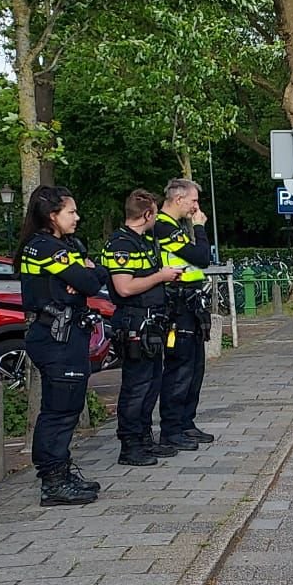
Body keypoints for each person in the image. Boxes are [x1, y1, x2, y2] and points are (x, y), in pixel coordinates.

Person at [15, 186, 108, 506]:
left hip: (62, 334)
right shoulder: (46, 248)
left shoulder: (57, 245)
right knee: (59, 411)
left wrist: (86, 272)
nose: (77, 217)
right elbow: (92, 282)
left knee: (65, 408)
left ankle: (61, 472)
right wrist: (86, 272)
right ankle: (53, 482)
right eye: (71, 212)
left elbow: (89, 278)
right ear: (52, 215)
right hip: (57, 337)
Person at [100, 190, 183, 466]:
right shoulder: (121, 244)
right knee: (136, 385)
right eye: (155, 212)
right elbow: (124, 287)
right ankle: (130, 444)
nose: (157, 216)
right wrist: (161, 276)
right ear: (147, 214)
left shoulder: (145, 241)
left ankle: (145, 439)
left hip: (153, 321)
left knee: (152, 383)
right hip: (134, 321)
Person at [155, 178, 215, 448]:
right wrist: (200, 227)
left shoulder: (175, 226)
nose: (196, 206)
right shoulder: (163, 227)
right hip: (176, 305)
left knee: (195, 367)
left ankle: (186, 422)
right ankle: (171, 428)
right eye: (193, 201)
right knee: (179, 368)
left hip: (190, 304)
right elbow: (202, 256)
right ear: (178, 199)